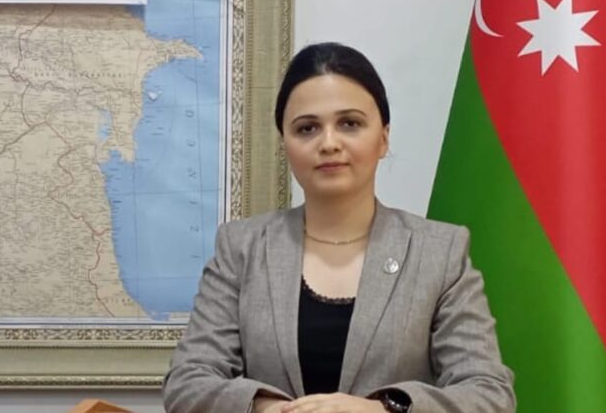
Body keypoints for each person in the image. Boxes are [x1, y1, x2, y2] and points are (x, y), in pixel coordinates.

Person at [163, 42, 516, 413]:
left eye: (350, 123)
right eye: (307, 128)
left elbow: (489, 394)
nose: (329, 143)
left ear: (383, 137)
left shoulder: (440, 252)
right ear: (285, 145)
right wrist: (266, 408)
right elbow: (188, 383)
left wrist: (381, 410)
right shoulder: (241, 248)